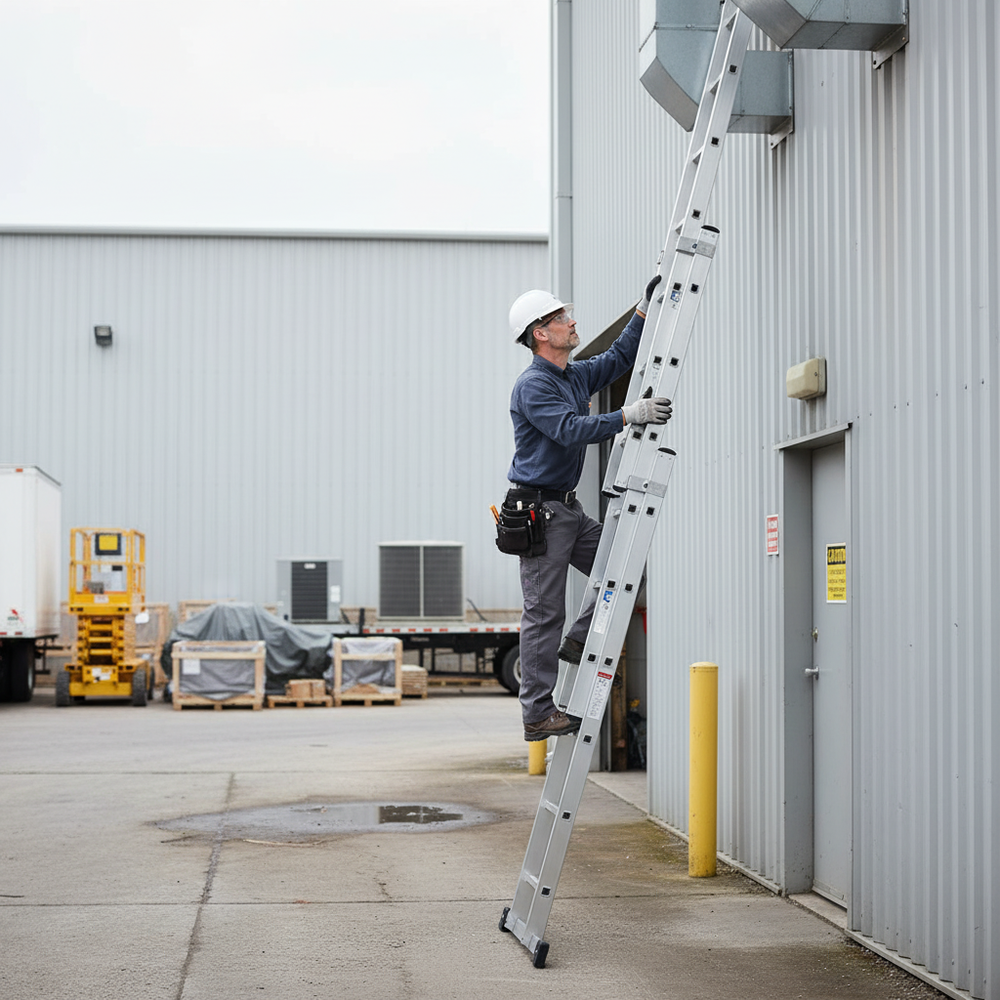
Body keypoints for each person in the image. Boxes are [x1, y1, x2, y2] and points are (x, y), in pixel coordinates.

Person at [505, 279, 672, 741]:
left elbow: (617, 358)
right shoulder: (533, 386)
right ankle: (537, 713)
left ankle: (580, 637)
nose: (572, 322)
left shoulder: (571, 375)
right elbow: (569, 429)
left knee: (626, 560)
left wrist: (642, 311)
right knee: (543, 614)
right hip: (539, 512)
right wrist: (627, 416)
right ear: (540, 333)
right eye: (561, 318)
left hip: (567, 511)